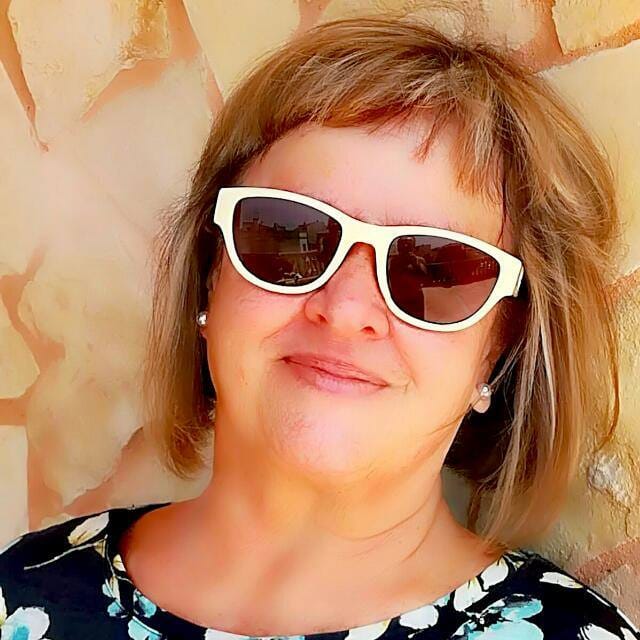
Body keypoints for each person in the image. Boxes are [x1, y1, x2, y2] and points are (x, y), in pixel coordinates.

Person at [1, 12, 638, 640]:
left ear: (497, 349)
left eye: (435, 270)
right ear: (209, 275)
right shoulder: (19, 595)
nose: (346, 309)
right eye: (291, 235)